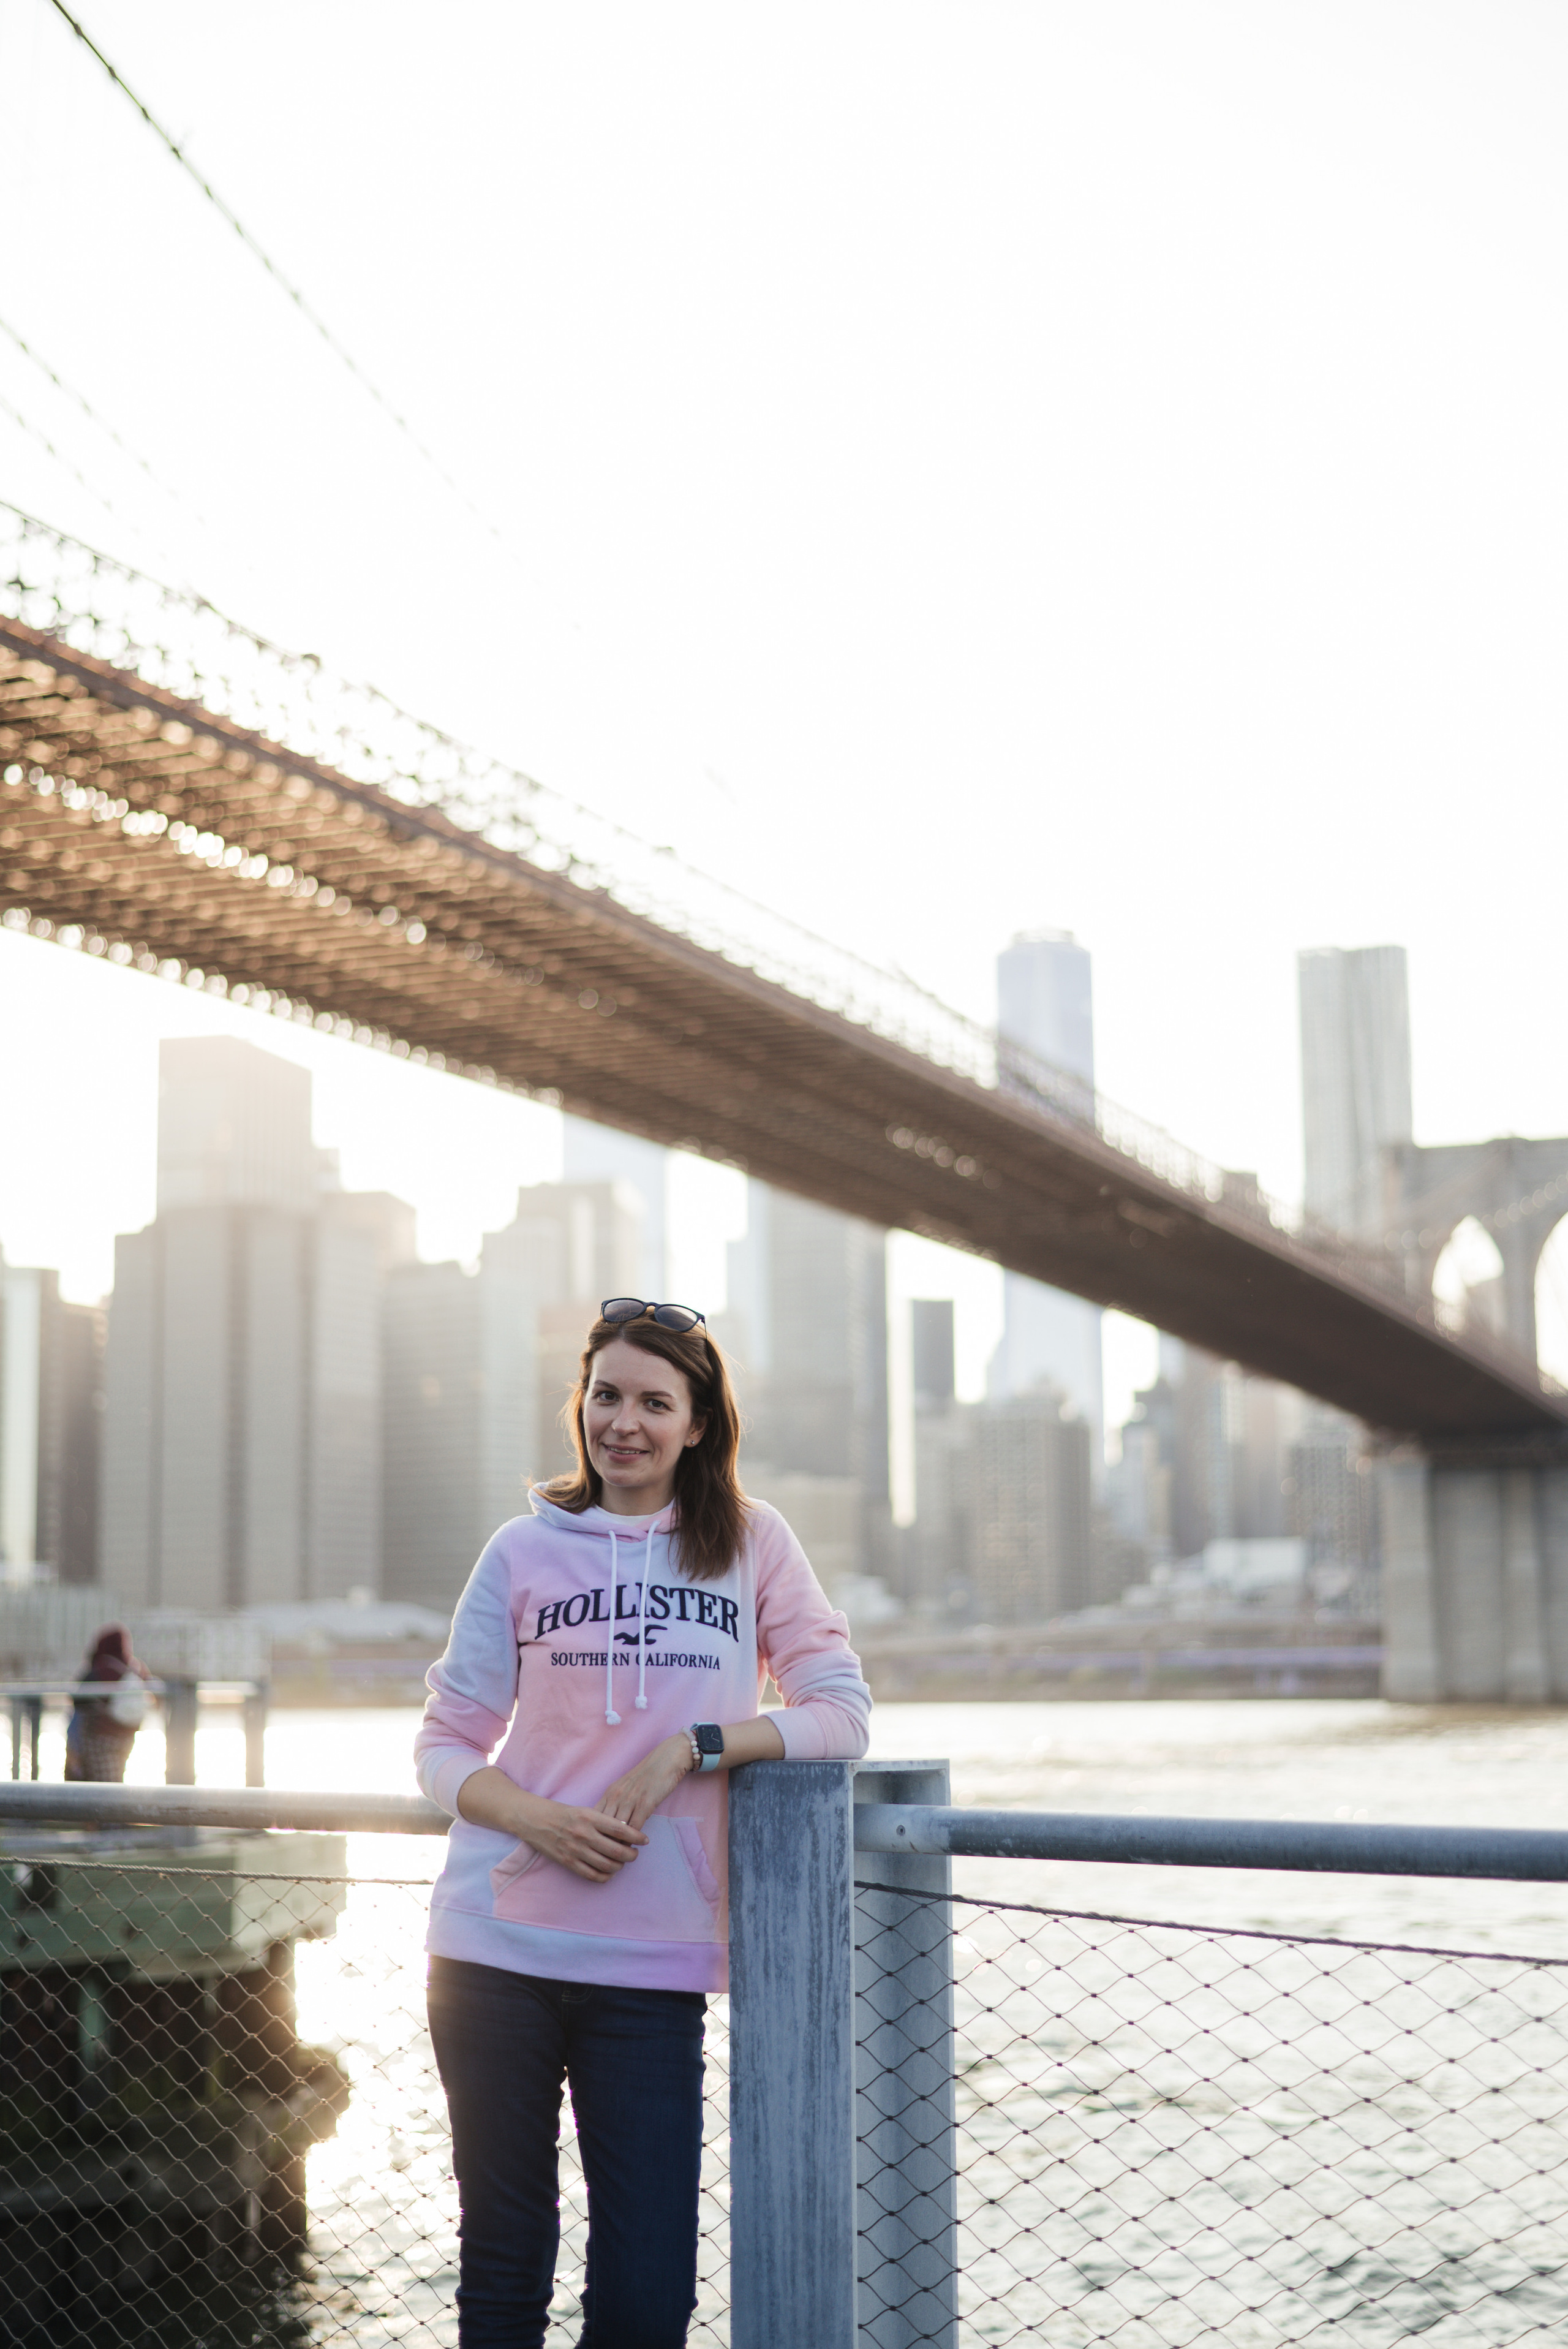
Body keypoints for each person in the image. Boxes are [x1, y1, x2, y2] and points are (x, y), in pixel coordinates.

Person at [416, 1298, 872, 2348]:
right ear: (581, 1403)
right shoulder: (523, 1548)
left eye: (654, 1401)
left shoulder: (753, 1544)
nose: (624, 1420)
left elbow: (840, 1710)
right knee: (502, 2265)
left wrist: (696, 1747)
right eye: (606, 1394)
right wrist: (540, 1818)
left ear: (699, 1421)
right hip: (492, 1950)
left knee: (645, 2296)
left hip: (651, 1965)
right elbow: (444, 1747)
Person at [64, 1624, 152, 1783]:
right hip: (126, 1736)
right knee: (115, 1780)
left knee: (94, 1785)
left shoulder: (100, 1669)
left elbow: (78, 1700)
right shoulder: (135, 1668)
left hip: (98, 1737)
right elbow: (152, 1691)